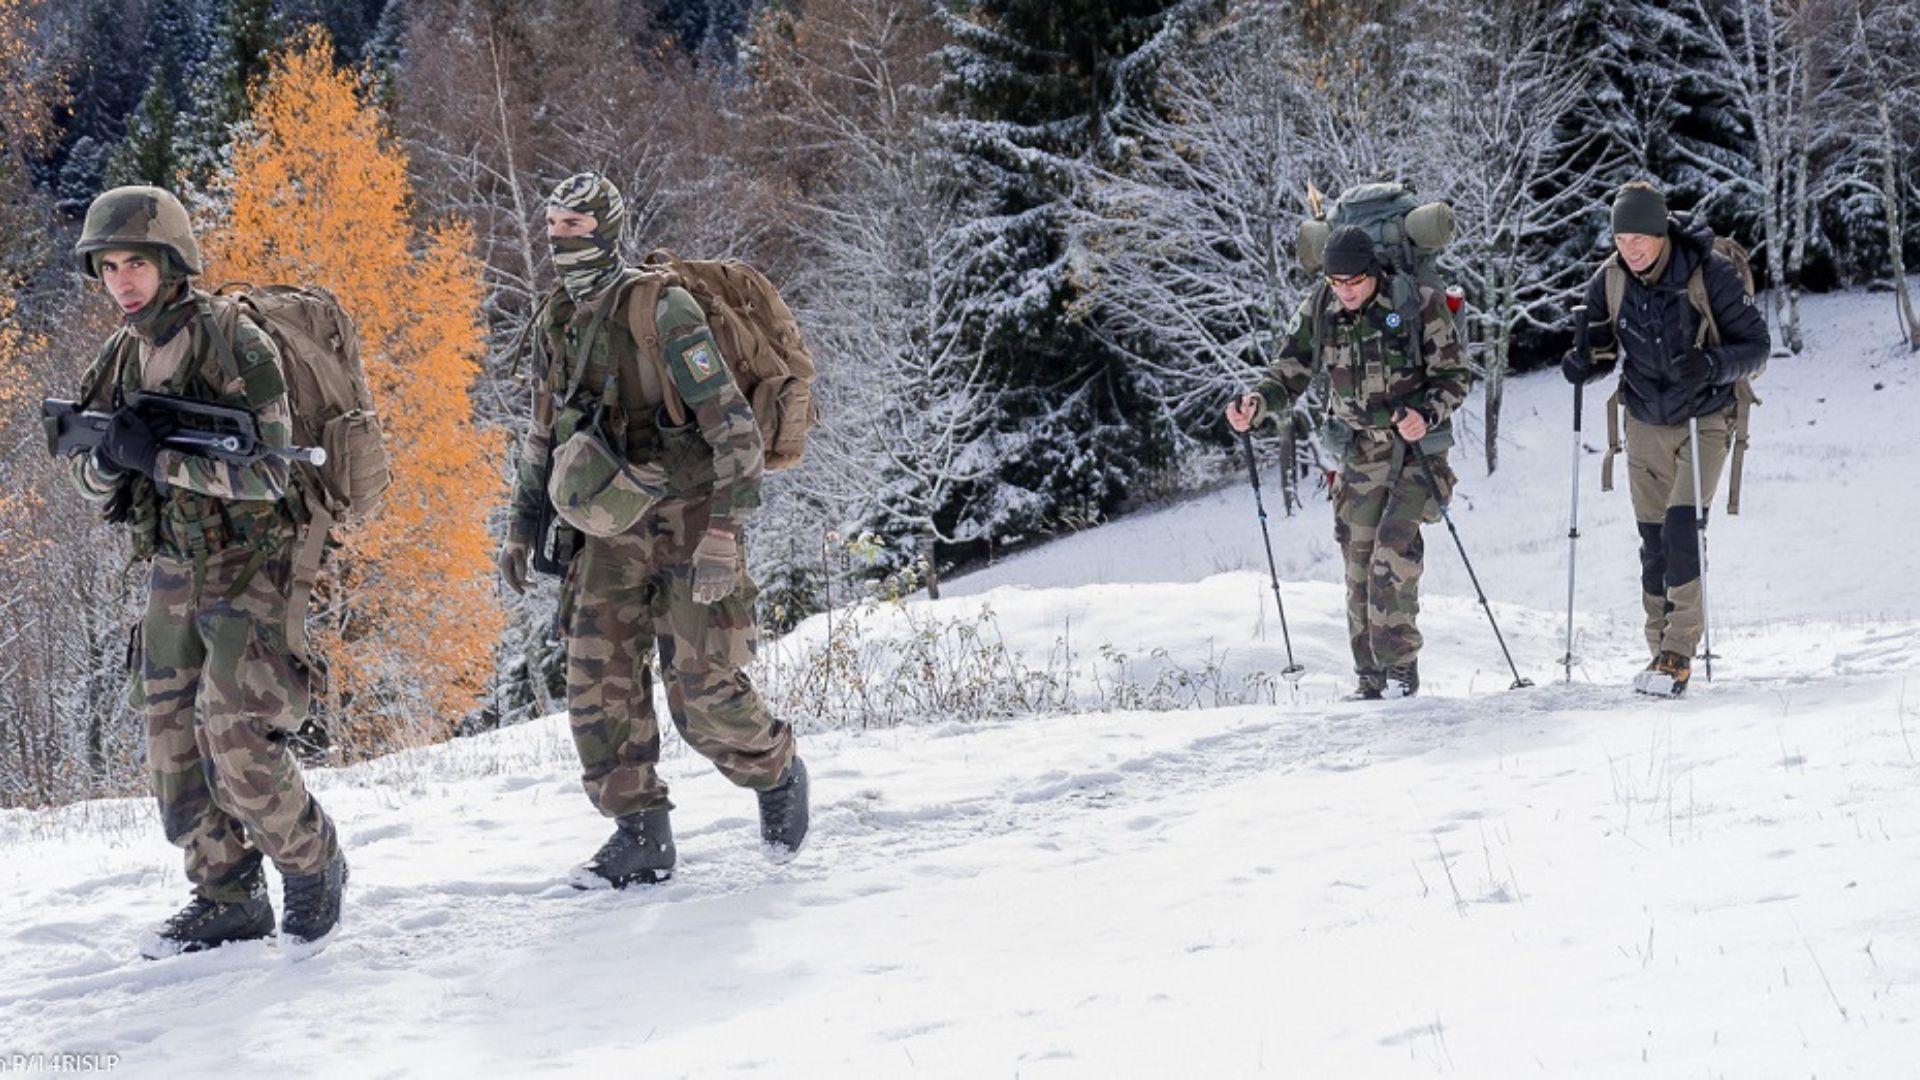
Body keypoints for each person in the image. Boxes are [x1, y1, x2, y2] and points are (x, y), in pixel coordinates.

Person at [498, 173, 808, 888]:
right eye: (553, 227)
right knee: (594, 678)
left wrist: (725, 535)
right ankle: (640, 832)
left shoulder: (661, 311)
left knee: (702, 692)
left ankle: (777, 770)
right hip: (608, 527)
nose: (558, 239)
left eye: (574, 227)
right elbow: (544, 434)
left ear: (605, 228)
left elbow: (734, 432)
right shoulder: (555, 319)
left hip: (692, 513)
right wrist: (521, 526)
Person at [65, 186, 346, 956]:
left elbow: (272, 477)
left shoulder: (234, 343)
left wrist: (159, 458)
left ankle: (312, 861)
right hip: (172, 564)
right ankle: (227, 891)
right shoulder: (120, 354)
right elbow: (86, 469)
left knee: (235, 731)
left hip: (253, 558)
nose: (123, 281)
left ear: (172, 261)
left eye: (138, 264)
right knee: (169, 738)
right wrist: (110, 461)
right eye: (110, 266)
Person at [1226, 225, 1471, 700]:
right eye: (1337, 283)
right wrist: (1257, 403)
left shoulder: (1416, 301)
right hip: (1361, 449)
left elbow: (1455, 375)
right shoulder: (1321, 307)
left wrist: (1426, 412)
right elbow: (1289, 371)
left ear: (1373, 273)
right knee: (1357, 560)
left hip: (1417, 447)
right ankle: (1369, 677)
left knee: (1392, 553)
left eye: (1354, 282)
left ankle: (1400, 670)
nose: (1346, 291)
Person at [1562, 181, 1769, 696]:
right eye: (1620, 237)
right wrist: (1583, 364)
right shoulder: (1609, 279)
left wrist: (1713, 365)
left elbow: (1757, 348)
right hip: (1643, 422)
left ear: (1661, 234)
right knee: (1653, 543)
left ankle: (1679, 650)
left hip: (1705, 418)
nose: (1629, 249)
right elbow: (1603, 346)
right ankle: (1657, 650)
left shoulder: (1709, 274)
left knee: (1681, 530)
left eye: (1639, 238)